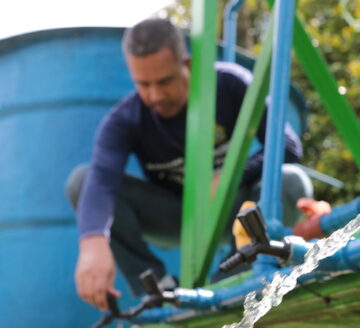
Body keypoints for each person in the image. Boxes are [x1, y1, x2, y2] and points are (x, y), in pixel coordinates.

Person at [65, 18, 311, 311]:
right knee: (82, 182)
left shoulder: (229, 84)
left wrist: (230, 175)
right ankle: (159, 291)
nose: (155, 95)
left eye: (165, 81)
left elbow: (289, 146)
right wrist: (92, 241)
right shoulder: (125, 119)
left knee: (292, 179)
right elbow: (101, 181)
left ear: (188, 64)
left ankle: (230, 281)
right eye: (144, 84)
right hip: (176, 214)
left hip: (235, 211)